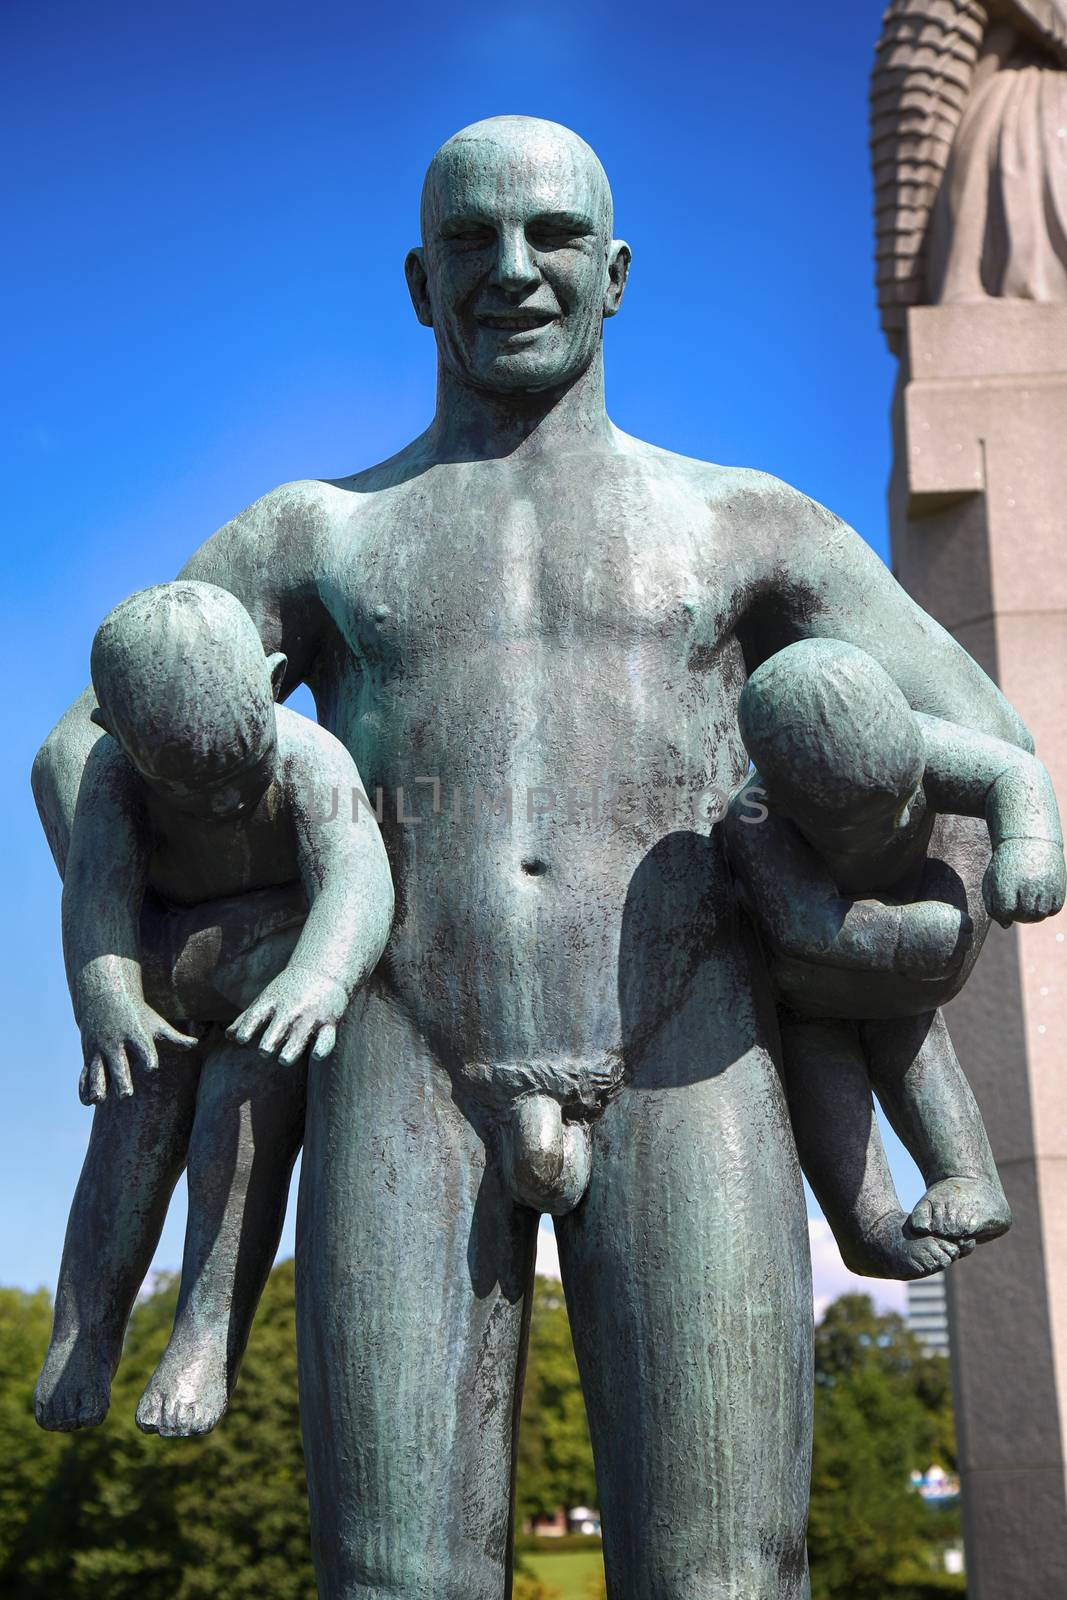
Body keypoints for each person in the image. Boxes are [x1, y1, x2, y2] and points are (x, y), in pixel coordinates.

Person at [32, 119, 1052, 1599]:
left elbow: (978, 747)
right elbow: (86, 746)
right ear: (416, 280)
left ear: (617, 272)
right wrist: (217, 914)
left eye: (554, 235)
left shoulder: (744, 522)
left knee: (723, 1573)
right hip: (400, 1047)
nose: (512, 269)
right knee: (389, 1574)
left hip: (685, 1053)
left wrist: (866, 919)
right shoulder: (318, 530)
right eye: (470, 241)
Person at [34, 581, 392, 1439]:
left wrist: (320, 978)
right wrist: (107, 1001)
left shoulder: (311, 758)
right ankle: (85, 1336)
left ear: (274, 683)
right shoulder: (115, 781)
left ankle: (204, 1337)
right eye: (192, 789)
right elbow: (95, 904)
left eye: (238, 774)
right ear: (113, 737)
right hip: (160, 972)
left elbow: (357, 877)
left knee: (234, 1134)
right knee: (126, 1138)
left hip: (271, 969)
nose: (224, 801)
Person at [725, 638, 1064, 1281]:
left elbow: (1014, 773)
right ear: (793, 802)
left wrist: (1028, 846)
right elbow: (804, 923)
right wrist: (906, 936)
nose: (908, 812)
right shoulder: (755, 817)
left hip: (893, 982)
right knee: (829, 1092)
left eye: (910, 794)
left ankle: (969, 1179)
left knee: (914, 1045)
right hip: (812, 987)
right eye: (874, 817)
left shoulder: (925, 742)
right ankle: (869, 1229)